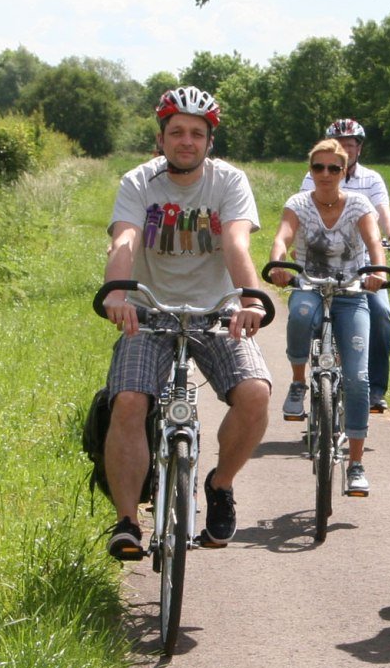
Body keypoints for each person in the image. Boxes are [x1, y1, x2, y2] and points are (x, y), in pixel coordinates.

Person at [98, 86, 272, 561]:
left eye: (197, 133)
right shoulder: (139, 182)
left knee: (255, 392)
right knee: (130, 401)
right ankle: (128, 521)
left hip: (215, 312)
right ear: (162, 137)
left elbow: (237, 244)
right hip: (151, 311)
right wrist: (117, 291)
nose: (187, 141)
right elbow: (125, 241)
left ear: (209, 141)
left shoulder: (228, 182)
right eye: (177, 132)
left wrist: (249, 298)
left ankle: (220, 484)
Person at [265, 139, 390, 495]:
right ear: (310, 170)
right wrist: (278, 264)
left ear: (344, 171)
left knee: (357, 377)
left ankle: (356, 463)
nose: (325, 174)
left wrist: (376, 269)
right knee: (300, 315)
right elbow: (282, 238)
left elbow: (374, 240)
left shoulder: (359, 204)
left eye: (334, 168)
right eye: (318, 167)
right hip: (310, 285)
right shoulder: (299, 204)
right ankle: (299, 381)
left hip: (351, 292)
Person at [292, 118, 390, 416]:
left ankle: (376, 390)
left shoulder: (371, 179)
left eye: (351, 145)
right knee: (310, 314)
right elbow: (303, 209)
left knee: (381, 315)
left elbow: (383, 211)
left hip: (363, 264)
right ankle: (314, 376)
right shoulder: (315, 175)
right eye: (340, 144)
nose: (345, 149)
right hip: (322, 263)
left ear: (359, 148)